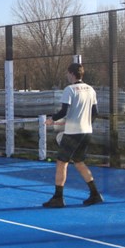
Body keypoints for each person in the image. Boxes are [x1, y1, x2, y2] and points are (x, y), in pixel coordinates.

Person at [43, 62, 104, 208]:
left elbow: (64, 111)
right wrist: (85, 124)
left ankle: (58, 198)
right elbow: (95, 113)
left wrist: (52, 120)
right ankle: (95, 194)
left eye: (67, 73)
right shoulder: (91, 89)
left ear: (71, 73)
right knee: (79, 162)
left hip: (72, 134)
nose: (66, 75)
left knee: (61, 163)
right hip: (86, 132)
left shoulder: (69, 90)